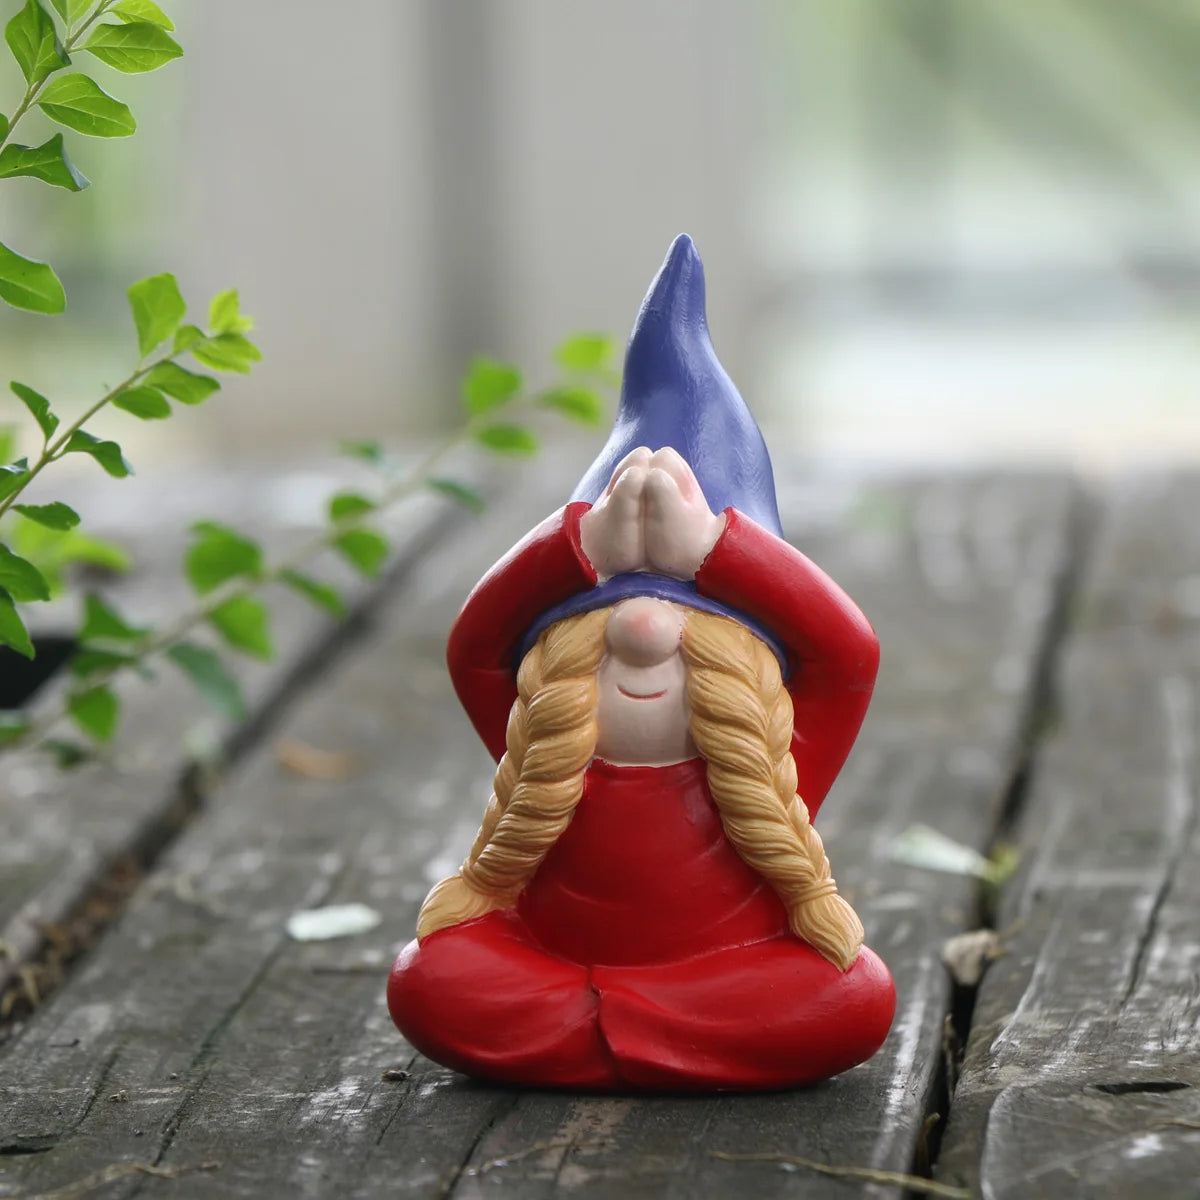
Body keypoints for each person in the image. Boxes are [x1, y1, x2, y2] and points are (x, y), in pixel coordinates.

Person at [388, 237, 895, 1090]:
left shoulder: (770, 766)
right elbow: (475, 648)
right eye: (598, 650)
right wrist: (578, 548)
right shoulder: (543, 756)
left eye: (695, 654)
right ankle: (648, 1038)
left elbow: (850, 654)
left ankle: (602, 1034)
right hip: (553, 964)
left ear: (749, 683)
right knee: (428, 978)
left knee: (852, 995)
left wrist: (716, 552)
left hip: (723, 975)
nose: (646, 641)